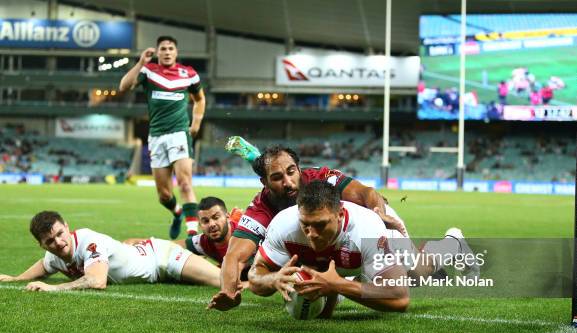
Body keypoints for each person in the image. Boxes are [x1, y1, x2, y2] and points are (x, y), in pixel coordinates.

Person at [208, 142, 407, 311]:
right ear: (264, 182)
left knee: (420, 271)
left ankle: (432, 253)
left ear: (299, 169)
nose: (287, 182)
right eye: (277, 178)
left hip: (367, 226)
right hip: (316, 248)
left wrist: (379, 213)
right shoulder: (262, 210)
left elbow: (366, 193)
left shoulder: (320, 180)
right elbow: (234, 256)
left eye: (291, 172)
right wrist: (228, 291)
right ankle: (337, 288)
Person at [248, 181, 475, 316]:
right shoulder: (283, 225)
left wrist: (338, 285)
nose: (311, 234)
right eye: (305, 225)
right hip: (341, 258)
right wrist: (273, 279)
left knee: (419, 273)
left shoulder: (369, 230)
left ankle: (453, 242)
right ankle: (347, 283)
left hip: (382, 229)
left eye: (320, 225)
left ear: (339, 215)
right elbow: (255, 275)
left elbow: (399, 299)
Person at [0, 211, 220, 291]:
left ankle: (249, 271)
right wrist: (15, 278)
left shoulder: (88, 241)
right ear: (42, 245)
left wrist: (53, 288)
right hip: (152, 267)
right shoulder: (53, 255)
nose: (58, 243)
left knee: (223, 281)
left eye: (60, 234)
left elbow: (96, 281)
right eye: (50, 241)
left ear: (67, 227)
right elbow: (43, 266)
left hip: (161, 257)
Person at [119, 35, 205, 239]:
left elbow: (200, 99)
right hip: (157, 136)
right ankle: (177, 213)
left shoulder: (189, 73)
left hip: (179, 134)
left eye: (170, 48)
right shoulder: (149, 71)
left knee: (185, 183)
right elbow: (123, 86)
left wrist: (196, 123)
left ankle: (192, 236)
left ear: (176, 52)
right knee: (164, 195)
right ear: (158, 52)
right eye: (163, 49)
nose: (167, 52)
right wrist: (141, 62)